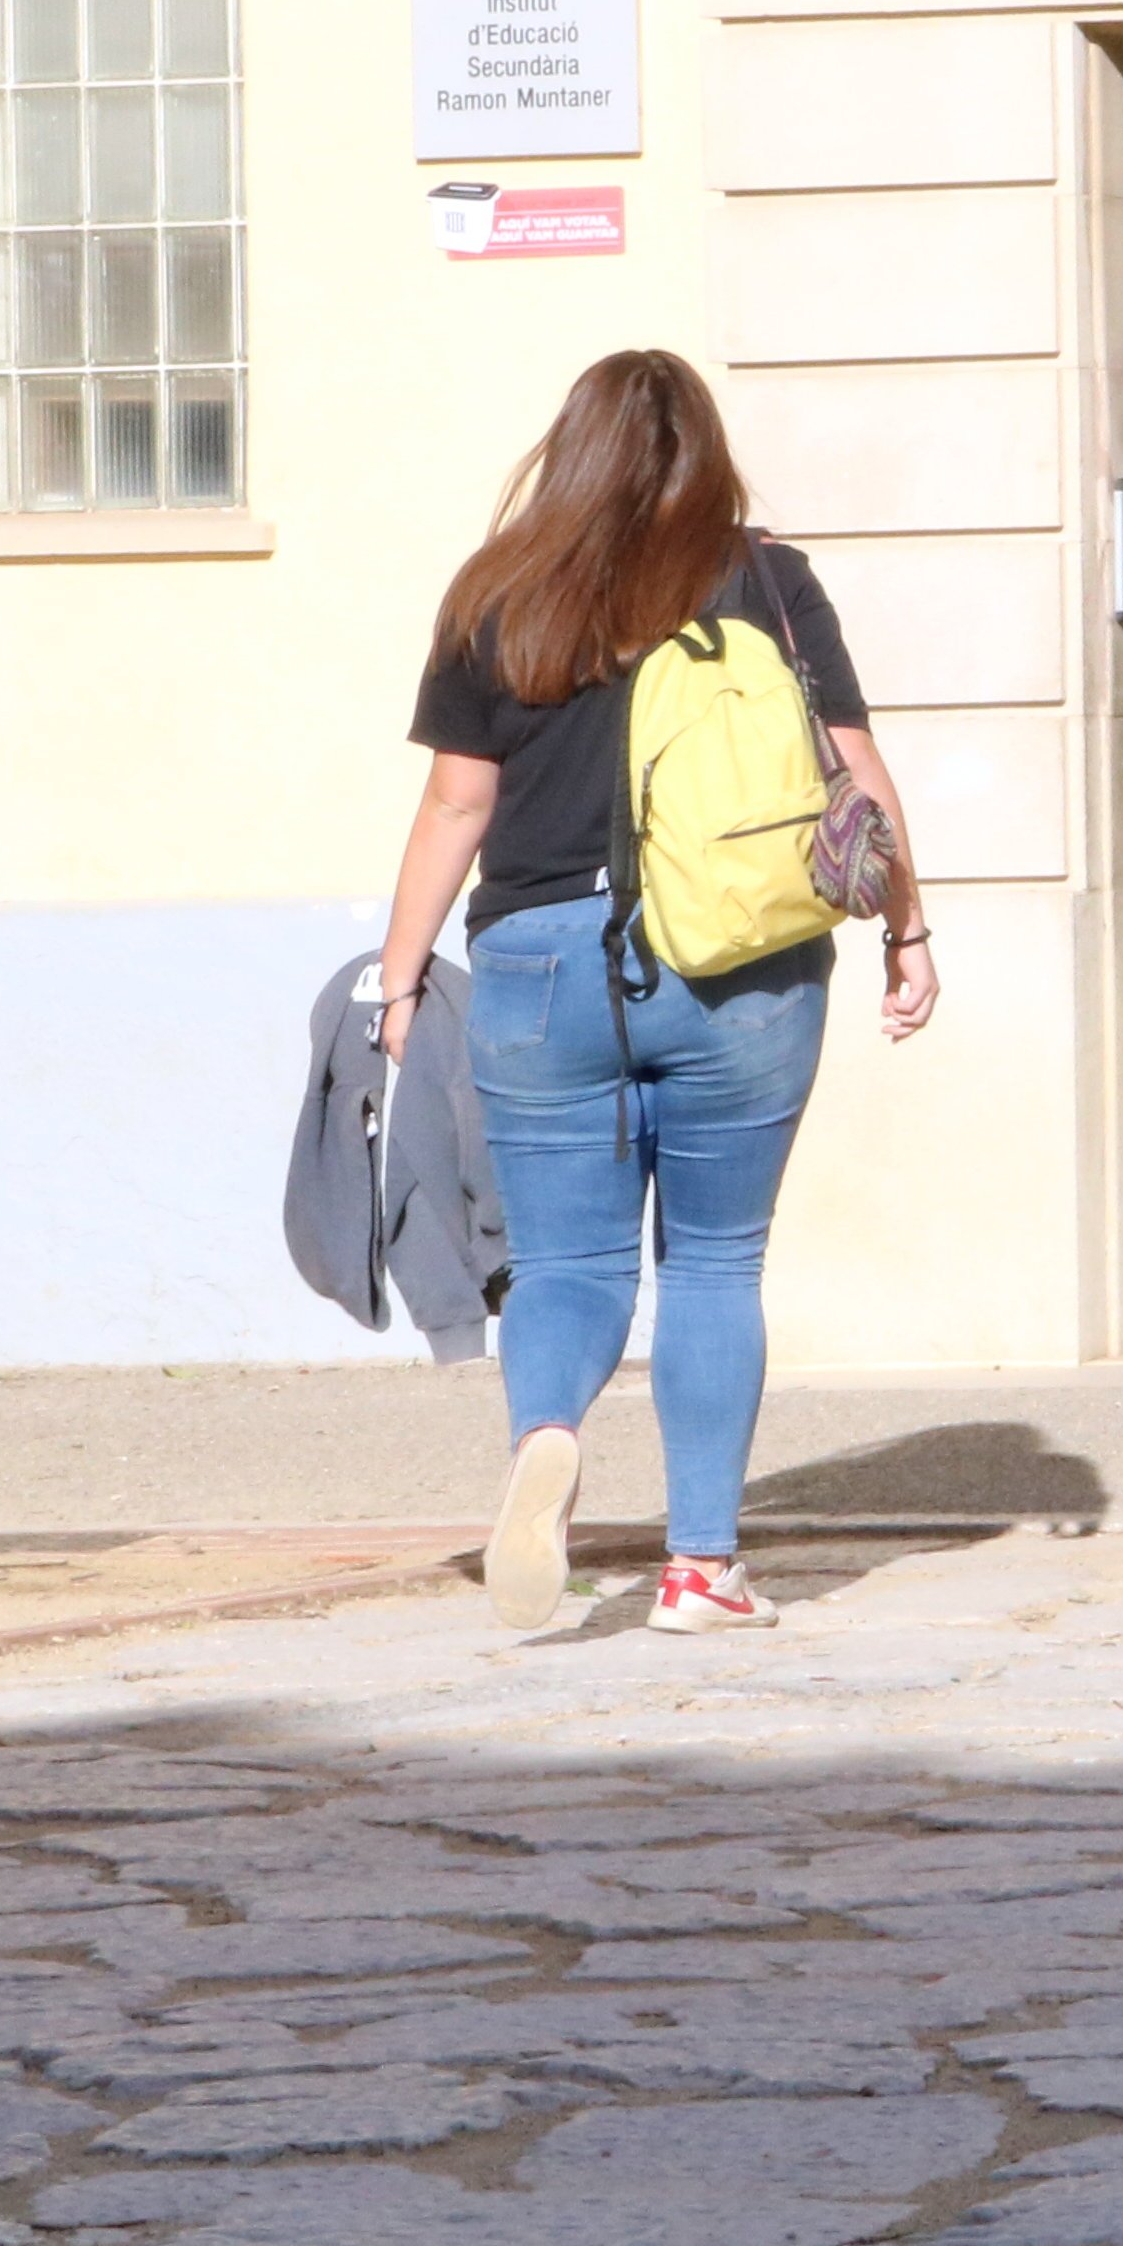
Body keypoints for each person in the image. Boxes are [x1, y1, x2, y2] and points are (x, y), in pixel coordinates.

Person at [371, 350, 935, 1637]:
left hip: (539, 962)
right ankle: (700, 1570)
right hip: (742, 960)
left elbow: (457, 802)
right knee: (716, 1263)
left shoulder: (496, 591)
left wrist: (398, 982)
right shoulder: (765, 578)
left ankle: (548, 1443)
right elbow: (856, 774)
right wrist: (906, 925)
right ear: (705, 451)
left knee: (563, 1260)